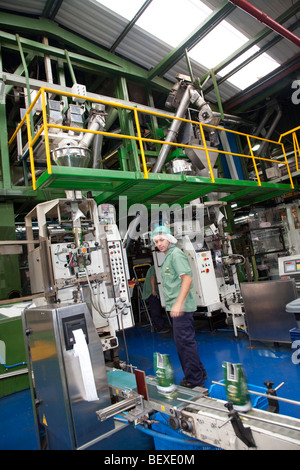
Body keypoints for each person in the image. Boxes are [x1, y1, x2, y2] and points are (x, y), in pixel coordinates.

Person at [151, 225, 207, 388]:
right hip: (177, 307)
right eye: (156, 241)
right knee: (185, 342)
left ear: (169, 239)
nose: (159, 244)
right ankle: (200, 372)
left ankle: (195, 381)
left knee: (184, 344)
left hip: (181, 308)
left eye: (161, 240)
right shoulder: (168, 256)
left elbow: (187, 279)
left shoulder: (176, 255)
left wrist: (178, 303)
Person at [142, 265, 170, 334]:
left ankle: (159, 326)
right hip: (151, 292)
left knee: (157, 309)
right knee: (156, 309)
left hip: (155, 291)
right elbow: (152, 278)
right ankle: (160, 328)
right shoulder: (154, 268)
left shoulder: (156, 267)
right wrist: (153, 290)